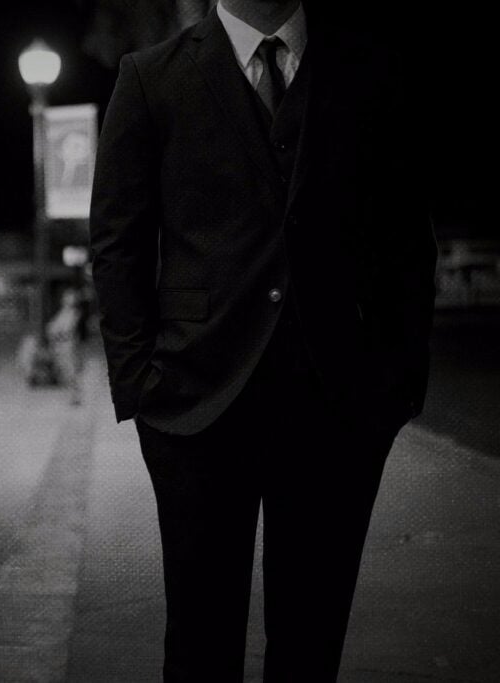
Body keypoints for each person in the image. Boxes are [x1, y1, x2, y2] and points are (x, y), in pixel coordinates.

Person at [88, 0, 438, 680]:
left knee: (311, 643)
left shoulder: (367, 73)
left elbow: (405, 241)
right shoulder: (150, 76)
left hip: (336, 406)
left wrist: (397, 384)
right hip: (194, 406)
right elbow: (117, 244)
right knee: (199, 644)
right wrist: (141, 384)